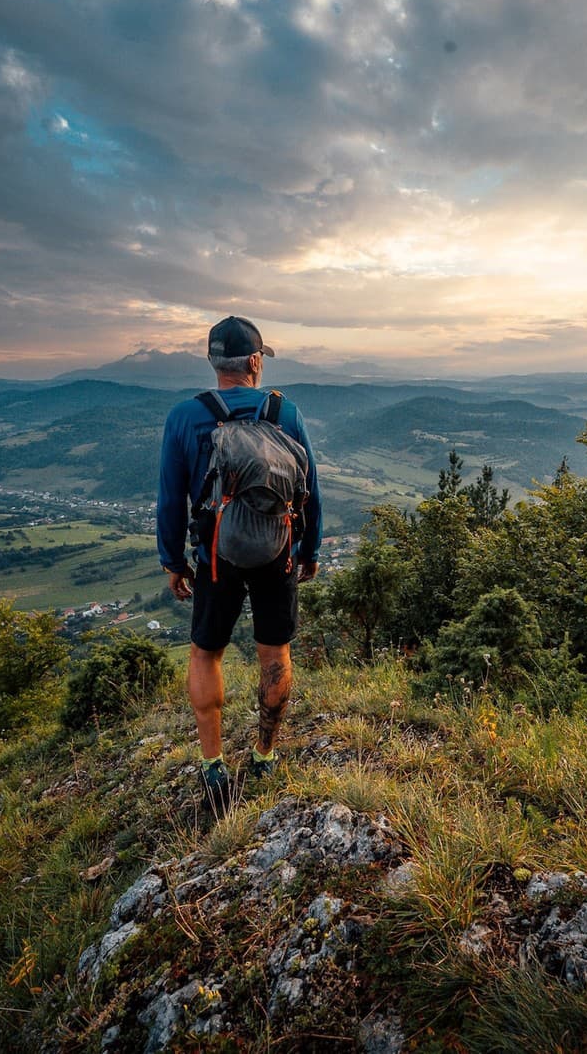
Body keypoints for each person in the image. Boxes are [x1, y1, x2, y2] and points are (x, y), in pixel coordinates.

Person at [156, 315, 322, 814]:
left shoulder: (185, 416)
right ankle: (264, 754)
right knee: (274, 655)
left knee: (206, 654)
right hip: (276, 551)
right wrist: (308, 551)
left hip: (213, 557)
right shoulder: (284, 412)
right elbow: (310, 490)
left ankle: (213, 766)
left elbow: (169, 499)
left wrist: (173, 560)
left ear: (213, 362)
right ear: (255, 362)